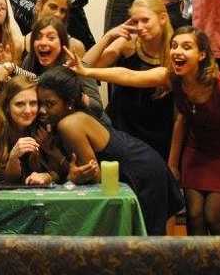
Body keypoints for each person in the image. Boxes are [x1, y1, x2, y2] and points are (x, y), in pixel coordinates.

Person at [70, 27, 220, 235]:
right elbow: (128, 75)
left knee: (214, 217)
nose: (177, 51)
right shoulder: (172, 78)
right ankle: (197, 258)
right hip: (197, 151)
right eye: (174, 46)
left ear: (202, 55)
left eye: (186, 47)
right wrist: (86, 72)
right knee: (194, 215)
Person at [37, 67, 182, 236]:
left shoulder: (69, 124)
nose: (41, 110)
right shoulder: (68, 118)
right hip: (141, 162)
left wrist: (61, 163)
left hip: (141, 171)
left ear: (69, 103)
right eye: (40, 103)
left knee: (149, 244)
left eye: (50, 104)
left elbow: (93, 177)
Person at [84, 0, 174, 160]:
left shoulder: (175, 50)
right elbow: (88, 66)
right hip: (122, 126)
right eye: (135, 21)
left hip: (158, 132)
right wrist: (109, 36)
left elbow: (129, 76)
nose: (140, 27)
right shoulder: (128, 42)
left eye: (145, 20)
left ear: (162, 18)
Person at [21, 16, 106, 121]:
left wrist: (74, 94)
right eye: (38, 38)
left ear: (62, 43)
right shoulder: (30, 61)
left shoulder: (77, 66)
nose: (43, 42)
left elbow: (97, 109)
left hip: (84, 123)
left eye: (51, 38)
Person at [0, 75, 63, 186]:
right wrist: (13, 158)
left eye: (33, 103)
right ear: (7, 107)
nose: (28, 111)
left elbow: (61, 173)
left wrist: (47, 177)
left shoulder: (45, 127)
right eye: (19, 104)